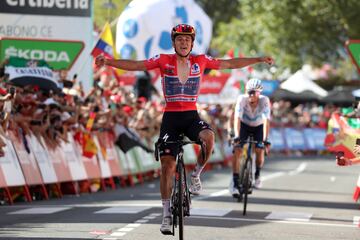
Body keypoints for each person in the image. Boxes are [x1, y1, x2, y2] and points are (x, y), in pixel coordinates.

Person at [95, 23, 274, 235]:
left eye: (187, 40)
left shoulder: (201, 60)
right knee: (167, 166)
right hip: (170, 117)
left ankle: (196, 174)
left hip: (191, 117)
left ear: (191, 43)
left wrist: (259, 59)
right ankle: (165, 214)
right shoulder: (163, 60)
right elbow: (136, 65)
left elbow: (230, 63)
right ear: (174, 43)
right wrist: (108, 62)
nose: (183, 42)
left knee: (208, 137)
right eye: (180, 39)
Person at [230, 78, 271, 197]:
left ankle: (257, 173)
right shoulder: (242, 99)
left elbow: (266, 120)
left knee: (259, 149)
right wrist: (237, 135)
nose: (251, 95)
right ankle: (236, 182)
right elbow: (237, 118)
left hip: (259, 126)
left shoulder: (264, 101)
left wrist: (265, 138)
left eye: (254, 92)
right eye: (249, 92)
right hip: (244, 126)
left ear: (259, 93)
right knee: (237, 149)